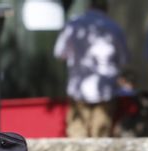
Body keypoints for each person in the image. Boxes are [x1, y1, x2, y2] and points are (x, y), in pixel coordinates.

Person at [53, 0, 129, 138]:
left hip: (78, 90)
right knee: (100, 140)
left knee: (76, 140)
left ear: (89, 5)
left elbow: (59, 53)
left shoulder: (73, 24)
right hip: (105, 91)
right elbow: (123, 60)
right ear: (106, 7)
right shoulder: (114, 27)